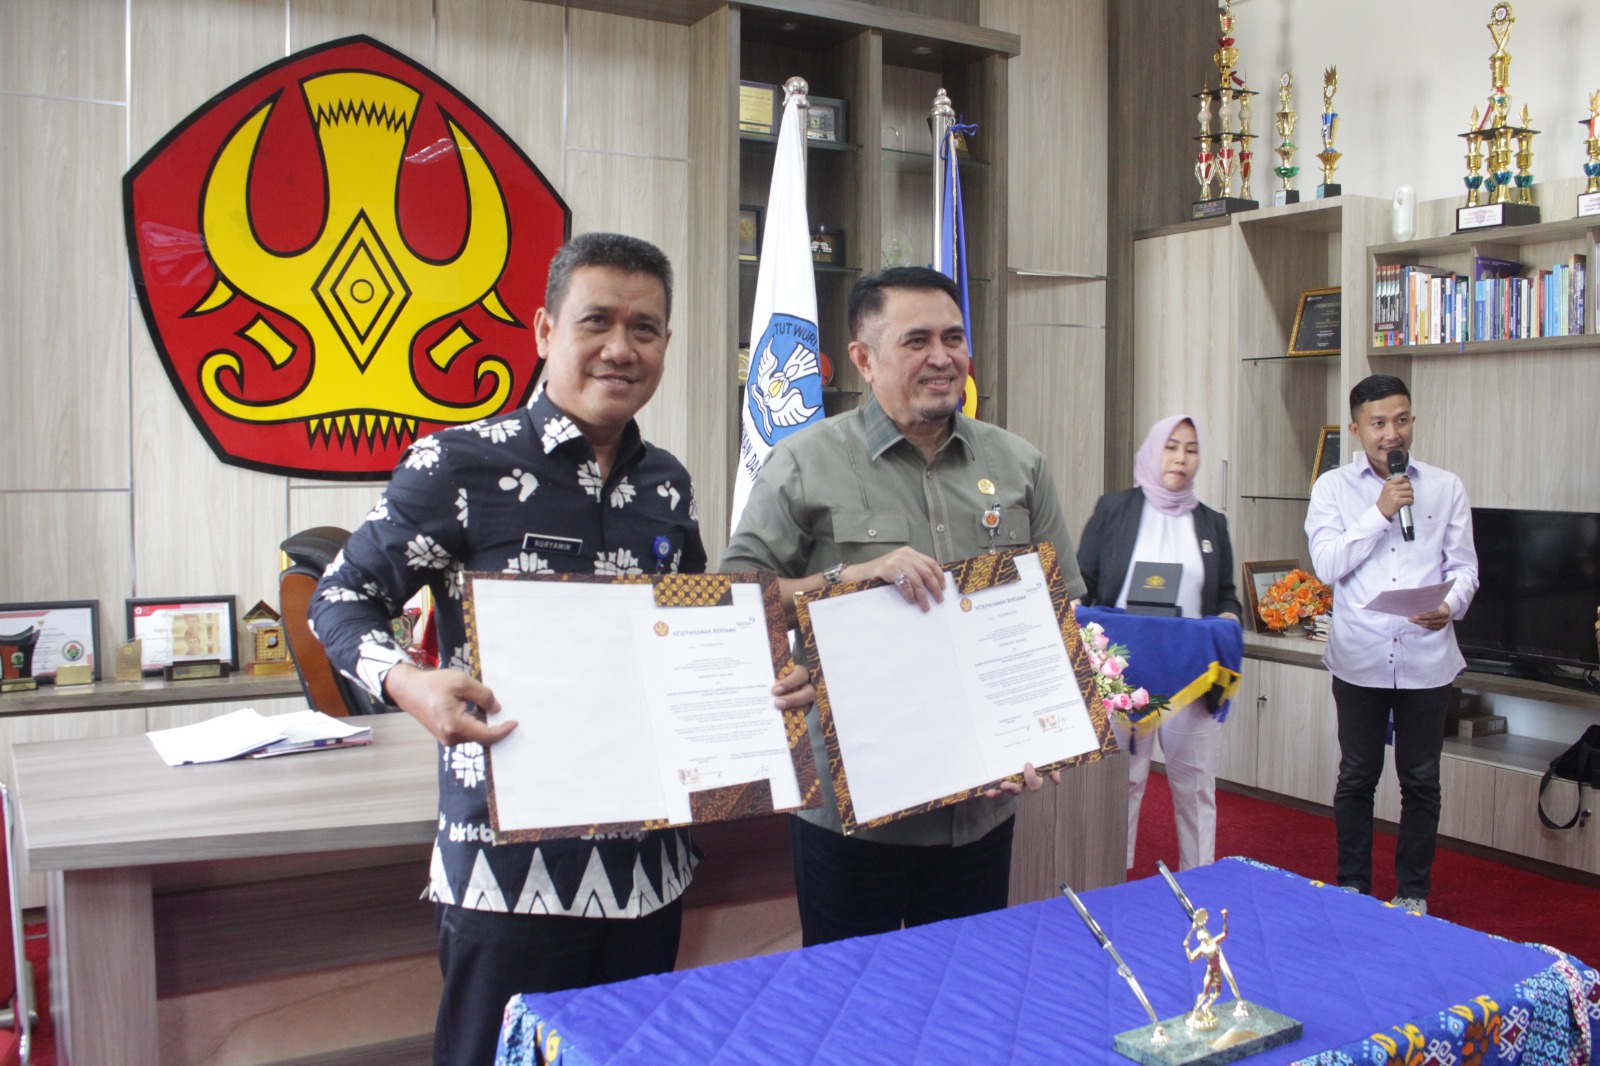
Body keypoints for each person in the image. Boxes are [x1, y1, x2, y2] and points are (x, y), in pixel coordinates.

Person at [310, 233, 815, 1066]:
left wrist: (762, 681)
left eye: (645, 328)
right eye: (598, 322)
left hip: (649, 862)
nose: (621, 347)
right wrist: (410, 682)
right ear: (545, 329)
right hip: (512, 862)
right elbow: (341, 597)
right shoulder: (458, 464)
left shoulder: (668, 485)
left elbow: (691, 632)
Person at [721, 265, 1085, 946]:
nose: (942, 357)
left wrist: (1044, 735)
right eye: (916, 340)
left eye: (954, 337)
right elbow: (737, 600)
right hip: (854, 809)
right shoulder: (804, 462)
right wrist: (852, 576)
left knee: (966, 1000)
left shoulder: (1018, 464)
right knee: (851, 1010)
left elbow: (1057, 612)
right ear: (863, 358)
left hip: (981, 807)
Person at [1305, 374, 1478, 916]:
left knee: (1421, 780)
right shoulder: (1333, 488)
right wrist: (1379, 512)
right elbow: (1328, 564)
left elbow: (1464, 567)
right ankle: (1353, 887)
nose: (1392, 434)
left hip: (1428, 658)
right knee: (1357, 775)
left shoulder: (1446, 487)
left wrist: (1450, 606)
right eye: (1379, 423)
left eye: (1401, 420)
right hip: (1359, 657)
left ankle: (1412, 894)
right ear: (1357, 429)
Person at [1076, 415, 1242, 871]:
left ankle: (1199, 879)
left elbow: (1226, 593)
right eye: (1171, 447)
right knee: (1122, 783)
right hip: (1120, 673)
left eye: (1190, 449)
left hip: (1190, 673)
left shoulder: (1212, 523)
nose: (1181, 458)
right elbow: (1083, 583)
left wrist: (1230, 614)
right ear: (1153, 450)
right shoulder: (1114, 510)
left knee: (1195, 784)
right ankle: (1112, 873)